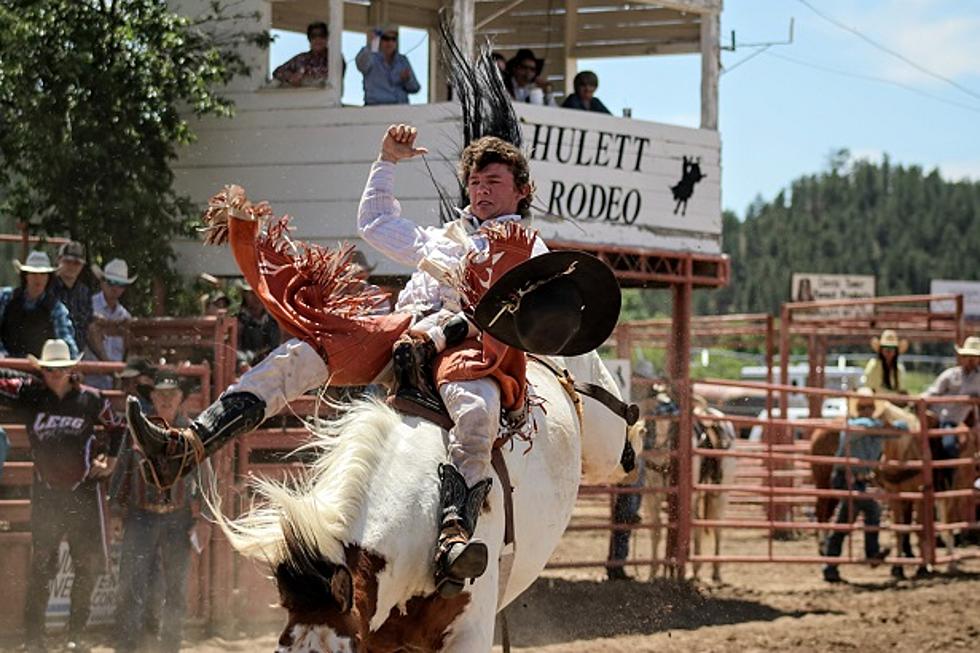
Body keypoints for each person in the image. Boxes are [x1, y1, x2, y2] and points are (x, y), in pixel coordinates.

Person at [0, 339, 125, 653]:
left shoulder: (91, 400)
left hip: (82, 491)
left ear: (71, 369)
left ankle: (77, 636)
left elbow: (118, 426)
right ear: (42, 370)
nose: (55, 374)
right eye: (50, 369)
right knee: (42, 564)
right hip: (47, 492)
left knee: (86, 563)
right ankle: (34, 637)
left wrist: (110, 460)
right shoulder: (29, 393)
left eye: (60, 369)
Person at [111, 370, 213, 653]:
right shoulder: (137, 429)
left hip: (177, 518)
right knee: (132, 584)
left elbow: (206, 477)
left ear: (180, 399)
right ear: (153, 398)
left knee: (175, 590)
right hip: (140, 515)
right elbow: (123, 468)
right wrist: (116, 512)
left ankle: (170, 647)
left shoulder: (191, 433)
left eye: (172, 394)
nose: (166, 399)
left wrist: (204, 518)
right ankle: (129, 646)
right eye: (161, 394)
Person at [821, 388, 894, 583]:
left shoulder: (874, 431)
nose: (866, 409)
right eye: (862, 406)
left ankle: (831, 565)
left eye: (869, 406)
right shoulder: (852, 427)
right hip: (845, 477)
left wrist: (880, 426)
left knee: (848, 519)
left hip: (857, 479)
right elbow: (861, 430)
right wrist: (877, 425)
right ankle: (869, 554)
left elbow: (902, 429)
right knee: (869, 509)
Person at [922, 336, 980, 491]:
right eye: (968, 357)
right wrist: (921, 402)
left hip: (955, 420)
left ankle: (948, 479)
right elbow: (931, 393)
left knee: (950, 445)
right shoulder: (950, 375)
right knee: (947, 445)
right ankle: (946, 479)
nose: (971, 361)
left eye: (974, 357)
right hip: (942, 418)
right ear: (962, 357)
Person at [0, 250, 79, 359]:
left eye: (43, 274)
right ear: (25, 276)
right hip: (5, 367)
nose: (38, 278)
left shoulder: (56, 308)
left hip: (41, 369)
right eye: (33, 273)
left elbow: (67, 341)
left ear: (48, 277)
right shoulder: (5, 297)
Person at [86, 259, 136, 390]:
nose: (115, 288)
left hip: (116, 384)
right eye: (111, 282)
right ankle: (111, 369)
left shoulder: (125, 316)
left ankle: (113, 371)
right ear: (102, 282)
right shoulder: (88, 307)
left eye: (120, 284)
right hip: (89, 379)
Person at [355, 24, 420, 105]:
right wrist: (370, 45)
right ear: (379, 40)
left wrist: (407, 80)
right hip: (375, 109)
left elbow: (415, 88)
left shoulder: (403, 60)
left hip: (400, 110)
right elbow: (360, 65)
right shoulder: (370, 57)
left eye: (393, 39)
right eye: (386, 38)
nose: (390, 42)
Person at [50, 241, 94, 351]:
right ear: (59, 260)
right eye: (68, 261)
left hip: (77, 353)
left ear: (82, 266)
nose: (72, 266)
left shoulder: (84, 292)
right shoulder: (48, 288)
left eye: (77, 263)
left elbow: (88, 325)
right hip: (51, 351)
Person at [272, 21, 340, 87]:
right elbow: (277, 72)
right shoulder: (301, 59)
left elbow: (335, 80)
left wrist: (305, 77)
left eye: (322, 35)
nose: (318, 39)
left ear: (327, 38)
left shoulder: (334, 58)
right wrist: (291, 77)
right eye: (313, 36)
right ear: (309, 39)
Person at [236, 282, 280, 369]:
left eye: (259, 292)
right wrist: (242, 362)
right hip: (246, 369)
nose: (256, 297)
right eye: (252, 293)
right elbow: (233, 347)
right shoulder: (238, 320)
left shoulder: (274, 320)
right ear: (245, 295)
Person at [863, 329, 907, 394]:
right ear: (881, 350)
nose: (888, 351)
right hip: (875, 398)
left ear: (896, 351)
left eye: (892, 348)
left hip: (893, 399)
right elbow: (872, 389)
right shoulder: (874, 365)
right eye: (885, 347)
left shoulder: (899, 368)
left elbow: (900, 389)